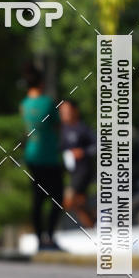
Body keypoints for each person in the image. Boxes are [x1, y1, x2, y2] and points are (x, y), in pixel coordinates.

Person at [20, 65, 63, 250]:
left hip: (32, 155)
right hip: (49, 156)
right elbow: (58, 126)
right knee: (57, 197)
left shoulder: (24, 104)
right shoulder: (48, 102)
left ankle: (39, 240)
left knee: (37, 199)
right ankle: (50, 237)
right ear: (42, 82)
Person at [59, 99, 97, 228]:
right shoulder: (60, 130)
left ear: (75, 111)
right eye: (62, 111)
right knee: (79, 203)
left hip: (82, 171)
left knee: (68, 200)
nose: (65, 114)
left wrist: (83, 152)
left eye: (67, 111)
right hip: (68, 172)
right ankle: (93, 223)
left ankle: (52, 228)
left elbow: (98, 145)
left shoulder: (82, 129)